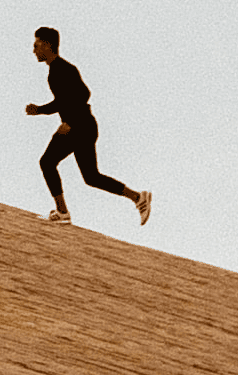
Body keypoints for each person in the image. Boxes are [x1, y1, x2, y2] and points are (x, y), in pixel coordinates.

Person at [26, 27, 152, 227]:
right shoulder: (56, 70)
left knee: (47, 162)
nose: (33, 50)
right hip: (85, 126)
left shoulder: (62, 69)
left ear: (48, 45)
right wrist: (39, 110)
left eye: (36, 45)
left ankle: (62, 212)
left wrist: (70, 122)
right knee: (91, 177)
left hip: (79, 126)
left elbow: (84, 94)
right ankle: (138, 197)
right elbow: (63, 101)